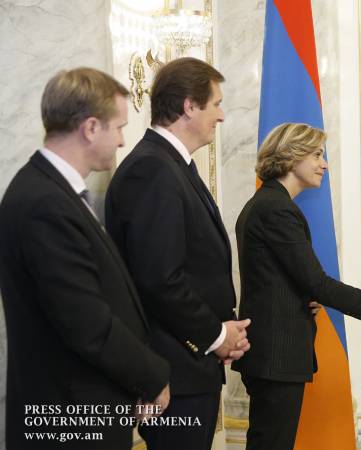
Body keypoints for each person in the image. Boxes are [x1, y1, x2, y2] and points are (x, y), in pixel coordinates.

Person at [0, 68, 170, 450]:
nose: (123, 140)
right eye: (119, 127)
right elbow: (87, 324)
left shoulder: (54, 192)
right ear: (91, 128)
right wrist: (153, 377)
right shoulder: (43, 203)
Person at [105, 57, 250, 450]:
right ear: (189, 105)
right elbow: (159, 278)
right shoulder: (152, 169)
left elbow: (197, 268)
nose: (221, 116)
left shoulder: (173, 165)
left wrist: (225, 330)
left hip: (190, 366)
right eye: (216, 103)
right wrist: (216, 335)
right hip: (172, 372)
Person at [232, 122, 361, 450]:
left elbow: (286, 279)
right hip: (276, 356)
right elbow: (315, 280)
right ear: (291, 156)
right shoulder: (276, 209)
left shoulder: (268, 204)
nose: (323, 164)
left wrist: (307, 295)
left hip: (273, 354)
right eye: (316, 154)